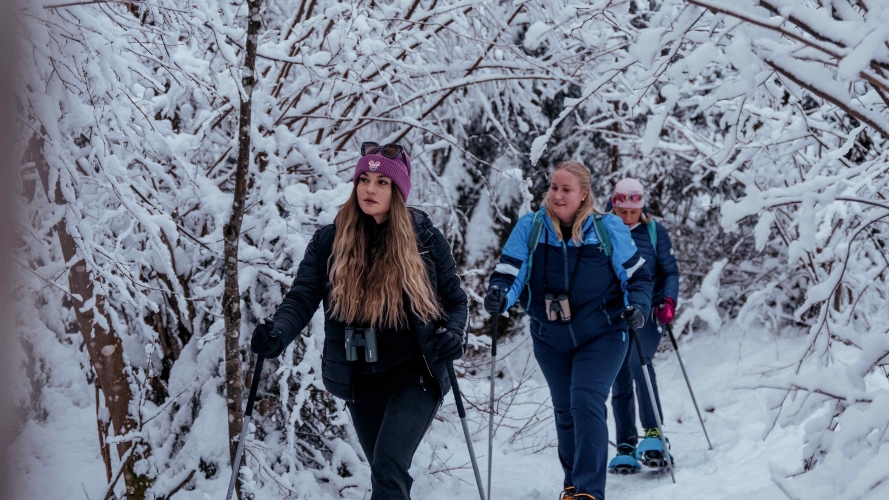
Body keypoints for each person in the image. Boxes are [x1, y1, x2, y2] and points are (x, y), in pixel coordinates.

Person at [250, 142, 468, 500]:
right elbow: (302, 297)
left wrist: (453, 334)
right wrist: (277, 332)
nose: (369, 189)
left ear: (397, 191)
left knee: (387, 466)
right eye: (364, 179)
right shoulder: (330, 240)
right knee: (387, 474)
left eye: (382, 182)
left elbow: (457, 302)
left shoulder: (423, 239)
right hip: (360, 376)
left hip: (415, 374)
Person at [484, 161, 653, 500]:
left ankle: (589, 493)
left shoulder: (608, 228)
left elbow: (638, 277)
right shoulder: (530, 228)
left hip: (604, 332)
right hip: (550, 336)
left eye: (566, 189)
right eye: (554, 188)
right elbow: (509, 274)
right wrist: (500, 295)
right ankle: (573, 485)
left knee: (585, 400)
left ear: (584, 194)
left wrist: (640, 307)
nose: (557, 196)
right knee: (565, 411)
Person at [606, 178, 679, 474]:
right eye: (622, 212)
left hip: (649, 313)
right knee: (618, 374)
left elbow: (669, 270)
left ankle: (653, 433)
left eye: (632, 212)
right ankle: (625, 444)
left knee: (640, 363)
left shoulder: (653, 230)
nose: (627, 218)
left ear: (640, 209)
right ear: (615, 206)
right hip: (613, 314)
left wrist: (668, 301)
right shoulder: (603, 229)